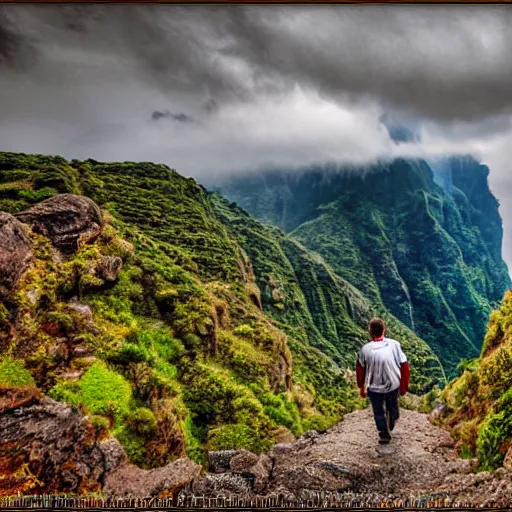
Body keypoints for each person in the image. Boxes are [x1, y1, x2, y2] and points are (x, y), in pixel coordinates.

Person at [356, 317, 410, 444]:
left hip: (374, 387)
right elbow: (405, 366)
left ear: (370, 331)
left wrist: (361, 387)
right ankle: (393, 416)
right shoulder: (395, 345)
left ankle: (384, 434)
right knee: (392, 405)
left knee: (378, 411)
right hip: (393, 384)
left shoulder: (365, 349)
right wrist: (403, 387)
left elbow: (360, 370)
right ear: (384, 330)